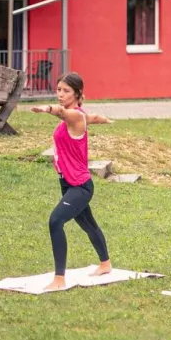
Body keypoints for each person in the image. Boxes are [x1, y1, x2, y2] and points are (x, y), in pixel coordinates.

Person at [30, 74, 114, 291]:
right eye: (58, 89)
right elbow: (92, 117)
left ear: (77, 93)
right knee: (87, 224)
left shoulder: (74, 116)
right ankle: (105, 264)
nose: (60, 94)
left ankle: (59, 279)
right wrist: (103, 120)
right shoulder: (81, 115)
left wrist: (46, 109)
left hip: (80, 186)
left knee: (55, 221)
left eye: (65, 90)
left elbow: (62, 113)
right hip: (68, 183)